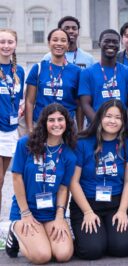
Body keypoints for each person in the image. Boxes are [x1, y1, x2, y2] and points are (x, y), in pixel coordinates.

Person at [6, 103, 76, 263]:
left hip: (51, 213)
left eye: (60, 119)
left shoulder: (69, 155)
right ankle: (15, 231)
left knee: (63, 254)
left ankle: (41, 233)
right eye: (51, 120)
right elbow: (16, 178)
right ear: (44, 122)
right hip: (26, 209)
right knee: (42, 256)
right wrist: (25, 213)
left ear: (67, 123)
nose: (56, 124)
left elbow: (64, 189)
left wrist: (60, 217)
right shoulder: (25, 144)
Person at [69, 99, 128, 260]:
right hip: (87, 203)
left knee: (122, 248)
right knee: (92, 251)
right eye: (108, 116)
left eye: (118, 117)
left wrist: (122, 210)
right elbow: (73, 182)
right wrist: (87, 212)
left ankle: (106, 235)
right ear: (100, 117)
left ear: (123, 121)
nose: (112, 121)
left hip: (115, 203)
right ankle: (85, 239)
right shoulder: (82, 142)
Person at [25, 28, 81, 132]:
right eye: (55, 40)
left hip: (66, 128)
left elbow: (79, 105)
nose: (59, 43)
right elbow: (29, 101)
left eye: (63, 40)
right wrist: (30, 129)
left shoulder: (77, 71)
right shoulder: (38, 68)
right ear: (49, 43)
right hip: (40, 126)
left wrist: (80, 131)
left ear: (68, 45)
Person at [79, 29, 128, 124]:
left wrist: (122, 125)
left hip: (121, 129)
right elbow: (85, 104)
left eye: (115, 42)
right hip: (95, 130)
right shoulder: (87, 73)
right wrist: (100, 126)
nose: (111, 44)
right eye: (107, 41)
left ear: (119, 46)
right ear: (99, 44)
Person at [0, 29, 24, 218]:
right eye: (2, 42)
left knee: (1, 182)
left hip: (11, 131)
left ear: (15, 44)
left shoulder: (19, 71)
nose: (6, 46)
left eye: (10, 42)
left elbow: (17, 97)